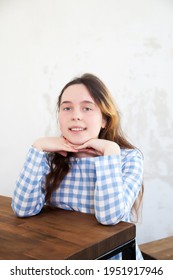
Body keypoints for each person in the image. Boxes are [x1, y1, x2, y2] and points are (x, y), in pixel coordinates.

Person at [12, 73, 144, 260]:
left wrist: (110, 152)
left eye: (87, 108)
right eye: (67, 108)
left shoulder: (128, 158)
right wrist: (37, 147)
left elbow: (110, 217)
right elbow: (23, 209)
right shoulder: (51, 157)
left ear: (104, 119)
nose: (75, 116)